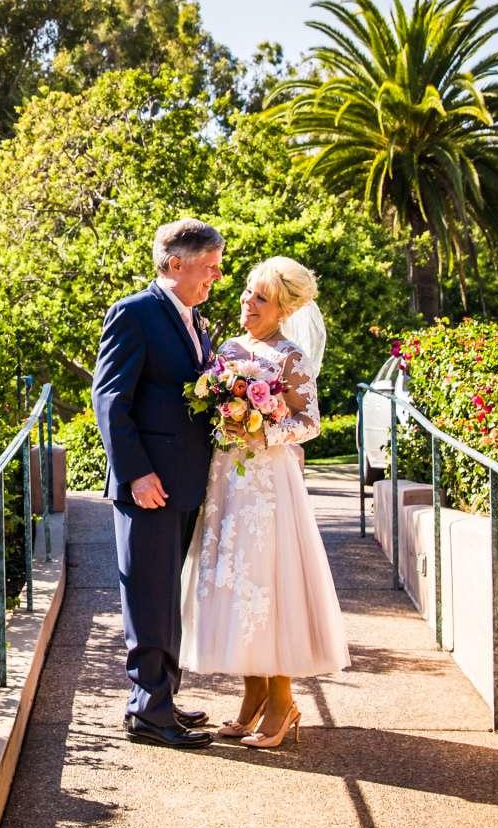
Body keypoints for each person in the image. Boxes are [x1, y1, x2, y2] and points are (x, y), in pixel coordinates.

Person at [180, 256, 351, 747]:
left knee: (265, 586)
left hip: (268, 489)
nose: (246, 302)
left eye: (259, 298)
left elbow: (309, 422)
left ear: (282, 309)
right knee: (235, 587)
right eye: (246, 293)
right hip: (226, 483)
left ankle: (282, 704)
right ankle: (252, 698)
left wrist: (262, 427)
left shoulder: (290, 357)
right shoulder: (228, 349)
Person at [91, 217, 224, 749]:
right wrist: (137, 472)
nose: (216, 274)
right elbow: (109, 399)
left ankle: (160, 697)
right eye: (208, 265)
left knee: (167, 596)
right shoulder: (135, 314)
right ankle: (149, 711)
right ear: (175, 264)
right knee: (147, 596)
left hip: (184, 486)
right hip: (149, 485)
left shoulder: (196, 320)